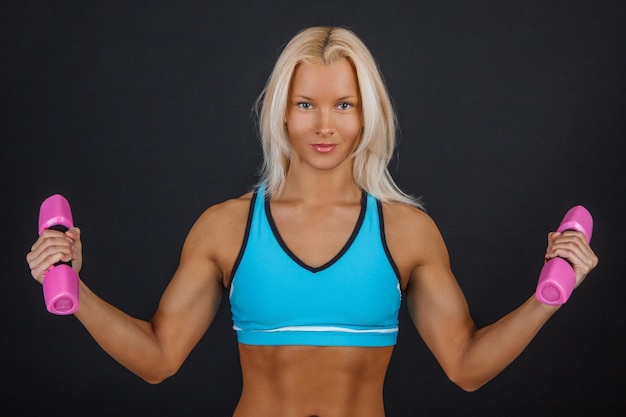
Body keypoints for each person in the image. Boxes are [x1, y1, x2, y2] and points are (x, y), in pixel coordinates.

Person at [26, 26, 598, 417]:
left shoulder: (406, 231)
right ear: (281, 110)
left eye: (344, 105)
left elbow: (466, 368)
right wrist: (73, 288)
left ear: (367, 113)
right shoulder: (226, 227)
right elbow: (158, 360)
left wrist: (547, 296)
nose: (325, 125)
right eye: (306, 104)